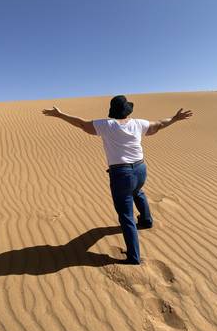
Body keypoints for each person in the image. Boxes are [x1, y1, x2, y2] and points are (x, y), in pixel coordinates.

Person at [42, 95, 193, 265]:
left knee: (126, 215)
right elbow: (159, 125)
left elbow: (82, 124)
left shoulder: (107, 125)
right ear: (127, 111)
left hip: (122, 175)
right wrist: (175, 118)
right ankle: (147, 220)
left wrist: (61, 115)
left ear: (113, 111)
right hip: (141, 169)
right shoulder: (138, 123)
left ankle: (134, 257)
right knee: (137, 191)